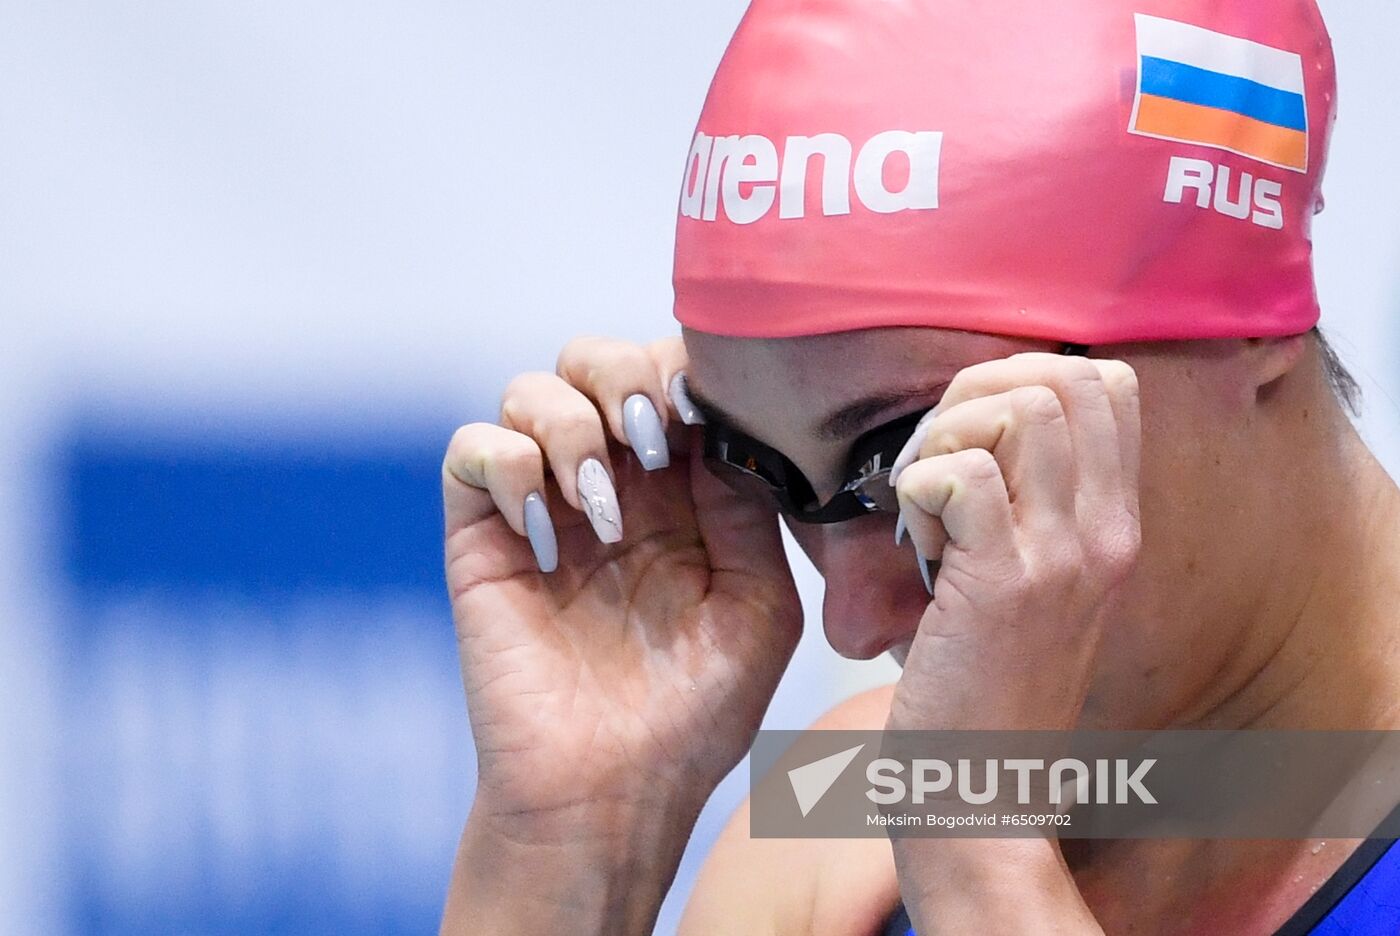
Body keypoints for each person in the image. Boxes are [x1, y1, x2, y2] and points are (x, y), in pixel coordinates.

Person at [439, 0, 1400, 932]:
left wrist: (979, 860)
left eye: (917, 456)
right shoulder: (845, 819)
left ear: (1249, 328)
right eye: (762, 471)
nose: (850, 621)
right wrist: (574, 848)